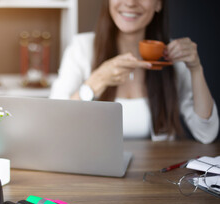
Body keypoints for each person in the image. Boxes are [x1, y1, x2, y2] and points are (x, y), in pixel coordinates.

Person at [50, 0, 218, 143]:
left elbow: (206, 134)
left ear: (158, 4)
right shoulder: (81, 48)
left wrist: (196, 69)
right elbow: (53, 125)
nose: (130, 2)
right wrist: (95, 82)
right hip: (94, 175)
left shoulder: (175, 56)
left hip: (155, 175)